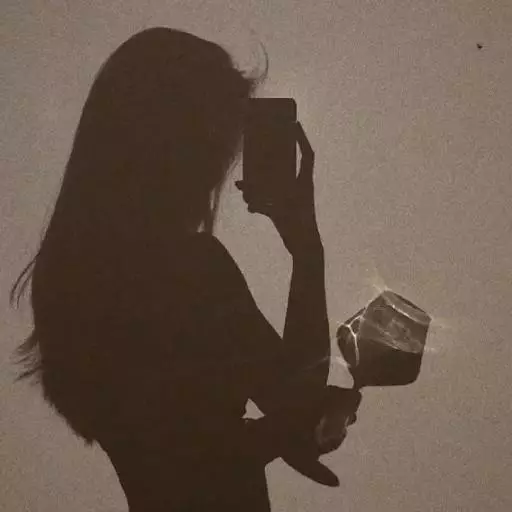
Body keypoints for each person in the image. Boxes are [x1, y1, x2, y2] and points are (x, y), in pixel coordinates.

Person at [10, 27, 361, 511]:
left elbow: (172, 443)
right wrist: (306, 250)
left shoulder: (66, 280)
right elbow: (287, 404)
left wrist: (284, 431)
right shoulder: (193, 269)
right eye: (220, 136)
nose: (225, 158)